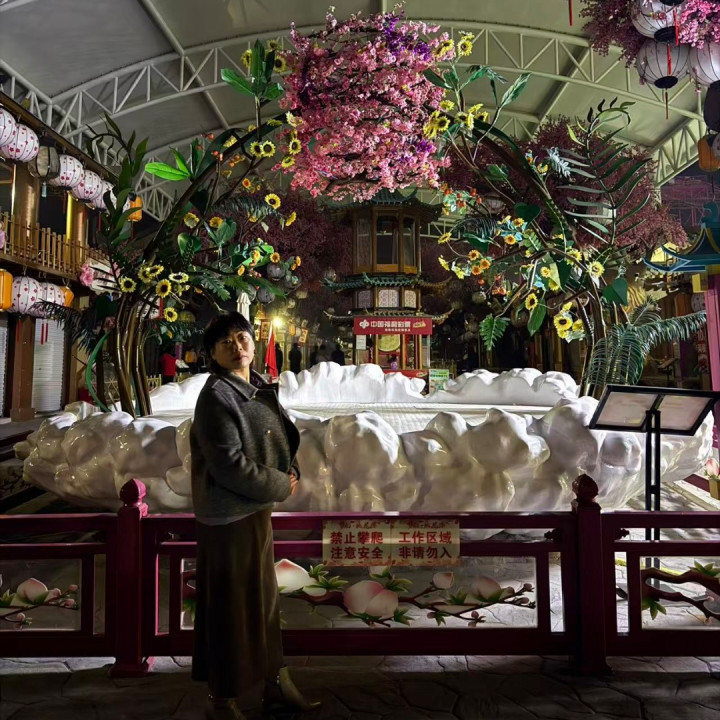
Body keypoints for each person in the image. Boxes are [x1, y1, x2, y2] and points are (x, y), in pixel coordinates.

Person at [190, 312, 320, 719]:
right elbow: (227, 464)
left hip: (253, 511)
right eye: (225, 342)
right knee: (232, 608)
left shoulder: (254, 385)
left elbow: (273, 439)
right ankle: (222, 698)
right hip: (228, 518)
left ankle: (275, 682)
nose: (237, 346)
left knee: (263, 602)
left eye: (242, 337)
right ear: (212, 353)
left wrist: (289, 469)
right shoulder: (217, 396)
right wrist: (280, 484)